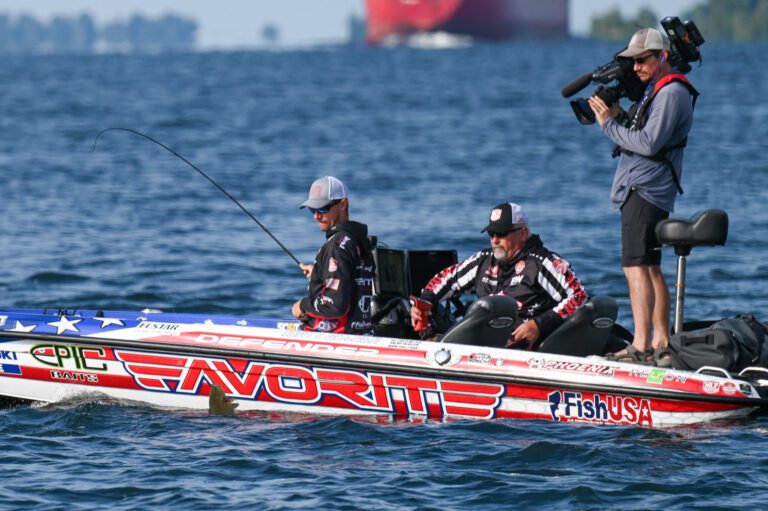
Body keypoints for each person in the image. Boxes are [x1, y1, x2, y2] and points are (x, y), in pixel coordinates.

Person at [588, 27, 698, 364]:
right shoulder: (660, 90)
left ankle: (640, 343)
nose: (636, 67)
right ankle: (660, 340)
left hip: (645, 189)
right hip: (648, 188)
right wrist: (619, 115)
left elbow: (649, 144)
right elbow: (645, 134)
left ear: (662, 56)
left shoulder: (671, 92)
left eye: (642, 60)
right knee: (649, 268)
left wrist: (609, 125)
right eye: (632, 61)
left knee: (635, 268)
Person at [409, 203, 588, 349]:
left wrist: (539, 325)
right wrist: (425, 302)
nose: (495, 240)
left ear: (523, 233)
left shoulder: (542, 263)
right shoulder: (483, 260)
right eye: (491, 233)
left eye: (502, 233)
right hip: (481, 348)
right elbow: (448, 277)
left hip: (524, 353)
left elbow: (579, 296)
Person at [291, 176, 375, 335]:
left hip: (336, 339)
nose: (316, 216)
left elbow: (335, 305)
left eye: (322, 208)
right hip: (361, 333)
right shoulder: (359, 241)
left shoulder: (336, 247)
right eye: (312, 210)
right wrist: (319, 273)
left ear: (343, 204)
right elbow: (351, 280)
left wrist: (303, 305)